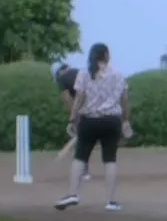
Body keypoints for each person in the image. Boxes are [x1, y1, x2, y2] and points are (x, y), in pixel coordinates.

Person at [54, 43, 133, 211]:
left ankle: (73, 193)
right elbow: (125, 99)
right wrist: (126, 120)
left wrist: (72, 119)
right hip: (112, 120)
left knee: (80, 157)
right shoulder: (118, 75)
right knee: (110, 159)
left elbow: (79, 98)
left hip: (89, 120)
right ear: (106, 56)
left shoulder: (84, 74)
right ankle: (111, 201)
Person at [53, 61, 90, 180]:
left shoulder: (62, 79)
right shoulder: (78, 71)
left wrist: (72, 117)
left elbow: (67, 99)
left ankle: (83, 170)